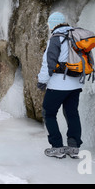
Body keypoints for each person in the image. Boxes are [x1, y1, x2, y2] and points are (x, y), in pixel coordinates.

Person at [37, 12, 84, 159]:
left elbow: (48, 64)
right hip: (75, 84)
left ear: (53, 24)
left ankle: (57, 147)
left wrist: (42, 81)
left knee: (49, 113)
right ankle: (74, 146)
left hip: (58, 85)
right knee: (72, 113)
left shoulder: (56, 39)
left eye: (50, 24)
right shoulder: (74, 36)